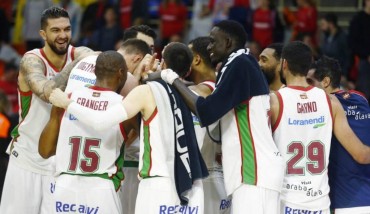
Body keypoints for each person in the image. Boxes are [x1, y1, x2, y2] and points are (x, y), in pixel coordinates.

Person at [49, 42, 208, 214]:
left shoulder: (147, 92)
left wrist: (67, 104)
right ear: (189, 70)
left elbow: (100, 122)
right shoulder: (200, 96)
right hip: (192, 183)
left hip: (156, 184)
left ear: (162, 64)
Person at [161, 20, 285, 213]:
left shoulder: (240, 64)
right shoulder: (243, 62)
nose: (209, 46)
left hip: (253, 170)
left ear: (227, 42)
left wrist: (171, 78)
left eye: (213, 41)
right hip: (258, 169)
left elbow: (207, 111)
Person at [0, 7, 92, 213]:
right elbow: (46, 92)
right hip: (26, 159)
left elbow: (99, 59)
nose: (63, 36)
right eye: (55, 30)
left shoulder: (80, 54)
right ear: (43, 34)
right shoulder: (31, 60)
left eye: (67, 29)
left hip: (60, 164)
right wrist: (76, 66)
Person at [269, 41, 370, 213]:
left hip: (286, 202)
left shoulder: (274, 102)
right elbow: (361, 153)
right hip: (319, 204)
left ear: (284, 64)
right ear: (309, 65)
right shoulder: (331, 102)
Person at [39, 51, 137, 214]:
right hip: (101, 189)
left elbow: (45, 151)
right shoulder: (124, 107)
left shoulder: (66, 99)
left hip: (65, 187)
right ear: (121, 73)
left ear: (95, 71)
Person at [306, 56, 370, 213]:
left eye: (310, 82)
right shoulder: (360, 98)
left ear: (326, 81)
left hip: (347, 202)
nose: (306, 87)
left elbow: (361, 155)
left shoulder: (323, 106)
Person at [188, 36, 231, 213]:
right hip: (223, 176)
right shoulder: (223, 88)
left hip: (206, 178)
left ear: (196, 59)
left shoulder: (198, 92)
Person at [348, 0, 370, 100]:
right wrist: (366, 55)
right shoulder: (358, 20)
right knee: (365, 92)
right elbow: (353, 43)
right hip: (364, 60)